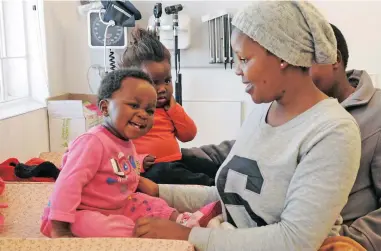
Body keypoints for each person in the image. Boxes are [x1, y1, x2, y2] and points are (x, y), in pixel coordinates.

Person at [132, 2, 362, 250]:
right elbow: (229, 196)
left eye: (244, 59)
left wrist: (187, 236)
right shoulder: (263, 111)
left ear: (283, 56)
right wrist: (158, 191)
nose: (237, 71)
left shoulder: (333, 132)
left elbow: (294, 240)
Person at [182, 23, 381, 251]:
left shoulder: (357, 121)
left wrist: (348, 239)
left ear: (332, 59)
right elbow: (243, 153)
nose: (299, 72)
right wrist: (181, 155)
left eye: (305, 64)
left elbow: (297, 238)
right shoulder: (283, 109)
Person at [40, 69, 217, 238]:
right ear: (105, 108)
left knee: (153, 204)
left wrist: (139, 162)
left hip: (120, 203)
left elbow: (118, 162)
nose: (143, 114)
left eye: (149, 110)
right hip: (84, 211)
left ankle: (182, 221)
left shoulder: (125, 141)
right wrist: (60, 228)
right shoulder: (92, 141)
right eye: (134, 105)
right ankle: (141, 233)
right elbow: (67, 184)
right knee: (100, 226)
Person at [120, 28, 215, 186]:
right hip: (151, 170)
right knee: (167, 173)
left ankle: (226, 178)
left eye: (167, 80)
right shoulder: (130, 113)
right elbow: (117, 151)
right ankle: (214, 188)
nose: (163, 88)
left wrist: (174, 109)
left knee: (201, 164)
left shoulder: (169, 107)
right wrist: (140, 161)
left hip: (176, 160)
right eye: (154, 82)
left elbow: (188, 135)